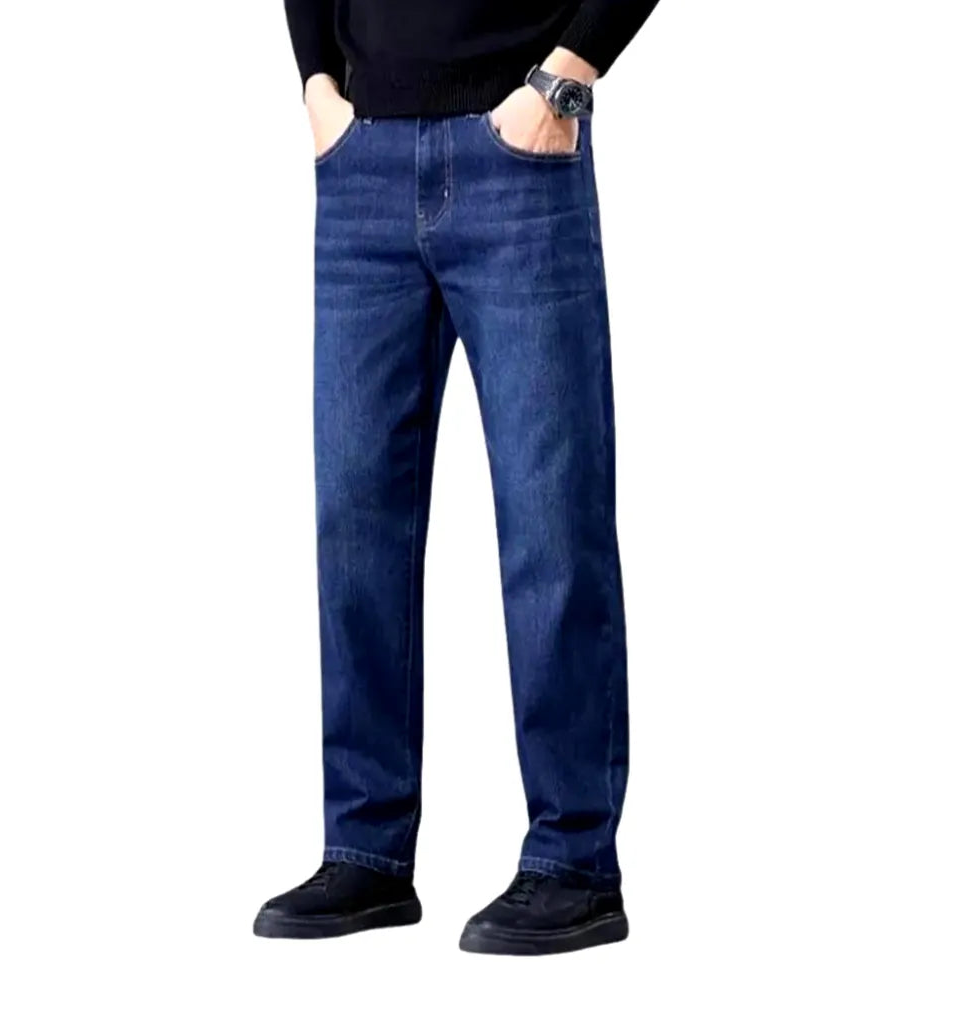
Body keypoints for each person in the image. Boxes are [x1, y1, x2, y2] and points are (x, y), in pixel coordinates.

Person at [253, 0, 660, 956]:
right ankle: (365, 849)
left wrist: (562, 81)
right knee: (355, 521)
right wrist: (318, 88)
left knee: (551, 519)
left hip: (519, 152)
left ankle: (574, 861)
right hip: (360, 162)